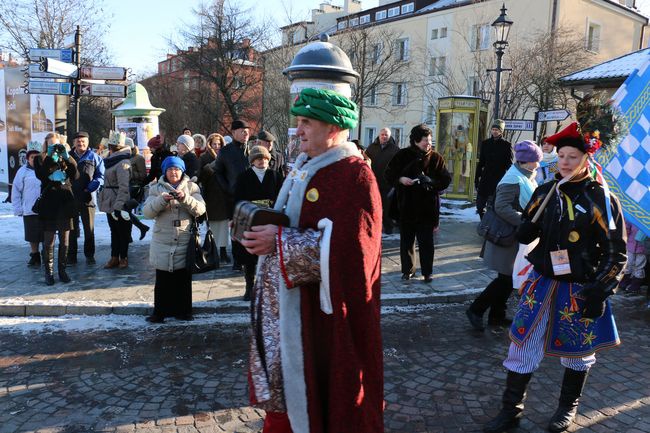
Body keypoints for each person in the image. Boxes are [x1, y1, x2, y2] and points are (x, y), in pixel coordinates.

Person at [241, 88, 383, 433]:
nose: (299, 129)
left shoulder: (354, 175)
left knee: (324, 405)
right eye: (298, 122)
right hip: (291, 315)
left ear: (333, 127)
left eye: (307, 122)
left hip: (321, 322)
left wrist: (279, 242)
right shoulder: (306, 167)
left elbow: (355, 255)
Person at [483, 123, 626, 433]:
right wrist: (526, 229)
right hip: (542, 282)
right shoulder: (546, 191)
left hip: (580, 288)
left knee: (577, 354)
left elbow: (616, 254)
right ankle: (511, 411)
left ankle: (567, 407)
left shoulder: (601, 199)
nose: (564, 162)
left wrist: (600, 290)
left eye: (572, 156)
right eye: (561, 155)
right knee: (521, 346)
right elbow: (530, 224)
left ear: (587, 159)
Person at [466, 141, 543, 331]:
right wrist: (525, 222)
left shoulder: (525, 176)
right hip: (507, 236)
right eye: (536, 161)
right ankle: (476, 309)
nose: (538, 165)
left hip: (512, 236)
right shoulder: (513, 179)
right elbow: (502, 207)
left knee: (509, 277)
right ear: (527, 161)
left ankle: (496, 315)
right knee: (506, 278)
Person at [385, 124, 451, 282]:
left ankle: (427, 272)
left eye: (429, 140)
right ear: (415, 140)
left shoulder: (436, 158)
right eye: (425, 140)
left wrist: (431, 182)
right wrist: (401, 179)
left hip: (427, 209)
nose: (428, 143)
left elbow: (445, 179)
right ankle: (407, 270)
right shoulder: (403, 155)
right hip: (406, 207)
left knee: (426, 242)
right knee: (407, 242)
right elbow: (388, 173)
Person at [143, 156, 206, 323]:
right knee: (162, 278)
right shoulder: (155, 188)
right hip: (162, 239)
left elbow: (200, 209)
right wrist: (161, 200)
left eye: (177, 169)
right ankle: (160, 313)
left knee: (183, 278)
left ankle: (184, 312)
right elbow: (147, 212)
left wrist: (185, 198)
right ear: (165, 171)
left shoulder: (192, 187)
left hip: (184, 238)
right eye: (170, 169)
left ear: (182, 170)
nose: (174, 172)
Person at [232, 145, 284, 301]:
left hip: (270, 219)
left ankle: (267, 289)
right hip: (250, 219)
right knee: (249, 255)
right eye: (258, 158)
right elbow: (237, 198)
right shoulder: (244, 177)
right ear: (253, 161)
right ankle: (249, 287)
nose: (262, 161)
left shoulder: (275, 175)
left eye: (265, 158)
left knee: (269, 255)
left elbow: (282, 195)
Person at [33, 132, 78, 285]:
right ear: (46, 144)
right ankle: (49, 273)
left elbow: (75, 175)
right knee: (49, 241)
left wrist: (67, 157)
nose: (55, 147)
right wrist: (49, 158)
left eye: (57, 144)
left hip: (65, 203)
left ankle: (62, 271)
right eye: (51, 144)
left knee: (65, 240)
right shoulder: (40, 158)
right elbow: (41, 176)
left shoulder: (65, 157)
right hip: (49, 204)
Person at [214, 119, 251, 271]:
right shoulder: (226, 151)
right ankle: (238, 260)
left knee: (252, 227)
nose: (246, 134)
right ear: (234, 132)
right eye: (242, 131)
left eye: (247, 131)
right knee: (237, 229)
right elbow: (218, 172)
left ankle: (250, 258)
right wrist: (227, 188)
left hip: (253, 196)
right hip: (233, 196)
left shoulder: (252, 148)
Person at [69, 131, 105, 265]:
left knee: (88, 229)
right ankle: (71, 256)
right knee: (71, 229)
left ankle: (89, 255)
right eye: (78, 141)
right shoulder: (67, 157)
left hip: (88, 197)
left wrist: (90, 188)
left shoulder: (94, 157)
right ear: (74, 143)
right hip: (70, 198)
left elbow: (100, 177)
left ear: (88, 142)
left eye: (83, 141)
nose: (80, 143)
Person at [98, 131, 132, 269]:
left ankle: (123, 257)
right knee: (114, 230)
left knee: (122, 231)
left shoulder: (123, 163)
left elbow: (124, 187)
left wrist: (119, 205)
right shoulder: (110, 161)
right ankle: (114, 257)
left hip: (118, 201)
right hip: (109, 200)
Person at [198, 133, 232, 263]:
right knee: (212, 226)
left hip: (224, 195)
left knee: (223, 226)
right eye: (214, 144)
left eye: (219, 144)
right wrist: (210, 167)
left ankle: (223, 251)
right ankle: (214, 252)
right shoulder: (204, 158)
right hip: (211, 195)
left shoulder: (226, 157)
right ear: (209, 144)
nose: (217, 146)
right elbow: (201, 177)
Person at [12, 142, 44, 267]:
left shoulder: (46, 169)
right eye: (32, 157)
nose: (35, 160)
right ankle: (35, 255)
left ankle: (46, 254)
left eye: (37, 157)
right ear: (28, 158)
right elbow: (16, 190)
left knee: (46, 233)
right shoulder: (22, 171)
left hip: (45, 209)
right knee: (32, 234)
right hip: (29, 209)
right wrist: (18, 208)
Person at [475, 120, 513, 218]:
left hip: (498, 179)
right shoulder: (485, 143)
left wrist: (508, 180)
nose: (495, 131)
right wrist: (477, 178)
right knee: (479, 206)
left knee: (492, 206)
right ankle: (484, 221)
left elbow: (509, 164)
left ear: (501, 131)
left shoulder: (506, 145)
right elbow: (481, 163)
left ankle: (488, 226)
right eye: (493, 129)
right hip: (485, 179)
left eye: (497, 130)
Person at [366, 127, 400, 234]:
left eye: (386, 135)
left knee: (387, 206)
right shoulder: (372, 147)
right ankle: (375, 227)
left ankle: (388, 227)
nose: (384, 137)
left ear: (389, 137)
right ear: (379, 135)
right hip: (374, 182)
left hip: (388, 183)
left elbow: (399, 164)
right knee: (374, 206)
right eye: (382, 135)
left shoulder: (394, 149)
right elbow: (366, 159)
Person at [125, 137, 150, 240]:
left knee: (125, 211)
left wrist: (129, 172)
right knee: (126, 212)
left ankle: (139, 228)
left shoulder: (138, 158)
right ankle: (130, 234)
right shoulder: (124, 157)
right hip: (126, 187)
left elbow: (143, 175)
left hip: (135, 188)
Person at [620, 221, 646, 293]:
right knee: (628, 264)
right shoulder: (634, 217)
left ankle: (635, 284)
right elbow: (627, 228)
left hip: (643, 248)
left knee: (639, 266)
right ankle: (625, 281)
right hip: (630, 245)